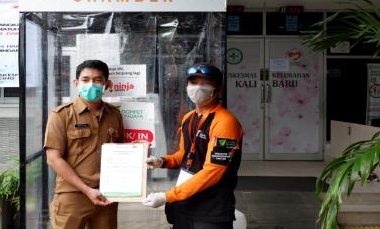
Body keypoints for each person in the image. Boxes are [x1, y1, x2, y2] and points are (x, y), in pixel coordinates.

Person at [142, 64, 243, 229]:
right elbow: (184, 154)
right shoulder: (189, 117)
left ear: (218, 89)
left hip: (211, 208)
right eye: (194, 82)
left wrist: (166, 196)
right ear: (187, 86)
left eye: (205, 83)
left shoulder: (225, 122)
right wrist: (161, 161)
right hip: (184, 203)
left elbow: (213, 172)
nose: (198, 87)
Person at [44, 59, 124, 229]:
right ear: (76, 83)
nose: (91, 85)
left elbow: (121, 153)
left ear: (107, 84)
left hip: (106, 195)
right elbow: (53, 159)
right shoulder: (61, 115)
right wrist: (87, 190)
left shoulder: (115, 115)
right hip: (72, 196)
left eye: (98, 80)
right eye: (85, 80)